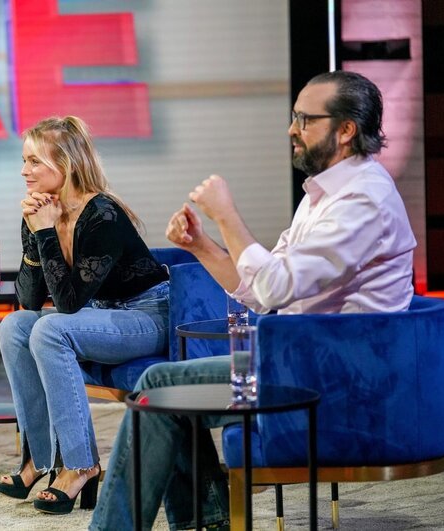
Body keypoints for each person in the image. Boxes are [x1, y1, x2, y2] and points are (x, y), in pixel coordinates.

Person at [90, 70, 417, 530]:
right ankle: (203, 522)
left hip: (339, 379)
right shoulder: (324, 196)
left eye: (305, 119)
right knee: (160, 385)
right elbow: (259, 295)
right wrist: (202, 245)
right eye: (293, 117)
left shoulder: (364, 201)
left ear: (345, 131)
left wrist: (226, 215)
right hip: (300, 361)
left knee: (158, 383)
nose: (291, 129)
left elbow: (273, 287)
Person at [0, 116, 171, 515]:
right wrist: (32, 237)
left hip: (147, 316)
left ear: (67, 165)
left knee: (52, 330)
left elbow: (69, 304)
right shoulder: (43, 211)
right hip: (103, 315)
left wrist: (44, 235)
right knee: (15, 327)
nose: (24, 171)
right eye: (24, 161)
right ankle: (40, 460)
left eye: (35, 162)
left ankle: (79, 466)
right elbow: (29, 300)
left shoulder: (102, 215)